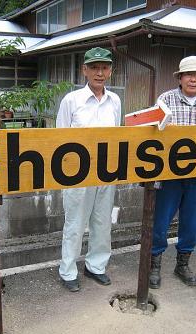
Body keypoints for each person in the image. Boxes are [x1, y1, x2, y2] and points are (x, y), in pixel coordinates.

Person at [150, 56, 196, 289]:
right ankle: (154, 265)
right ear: (180, 78)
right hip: (169, 173)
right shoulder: (166, 99)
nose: (193, 79)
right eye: (188, 74)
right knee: (160, 220)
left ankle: (182, 264)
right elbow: (153, 130)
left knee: (191, 222)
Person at [56, 47, 122, 292]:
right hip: (76, 173)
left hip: (106, 170)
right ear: (84, 70)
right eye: (94, 67)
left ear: (111, 71)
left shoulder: (114, 100)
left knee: (102, 222)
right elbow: (61, 139)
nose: (100, 72)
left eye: (104, 67)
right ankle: (68, 270)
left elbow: (116, 135)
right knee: (75, 223)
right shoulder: (71, 100)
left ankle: (96, 266)